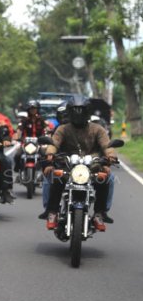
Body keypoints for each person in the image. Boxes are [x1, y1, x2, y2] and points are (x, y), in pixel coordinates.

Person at [43, 96, 117, 232]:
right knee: (54, 176)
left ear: (88, 112)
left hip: (92, 166)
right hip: (67, 165)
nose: (78, 114)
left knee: (107, 179)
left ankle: (100, 213)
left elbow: (107, 145)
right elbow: (54, 143)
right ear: (70, 112)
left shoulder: (98, 129)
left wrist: (110, 156)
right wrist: (50, 154)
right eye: (75, 111)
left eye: (81, 111)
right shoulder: (63, 129)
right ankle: (52, 211)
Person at [13, 99, 47, 178]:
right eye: (31, 109)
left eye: (34, 108)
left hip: (38, 144)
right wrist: (17, 136)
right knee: (17, 155)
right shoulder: (25, 120)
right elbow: (19, 129)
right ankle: (17, 169)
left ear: (37, 109)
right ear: (28, 109)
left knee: (45, 156)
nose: (33, 110)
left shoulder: (41, 120)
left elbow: (46, 129)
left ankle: (45, 172)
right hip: (26, 143)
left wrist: (48, 135)